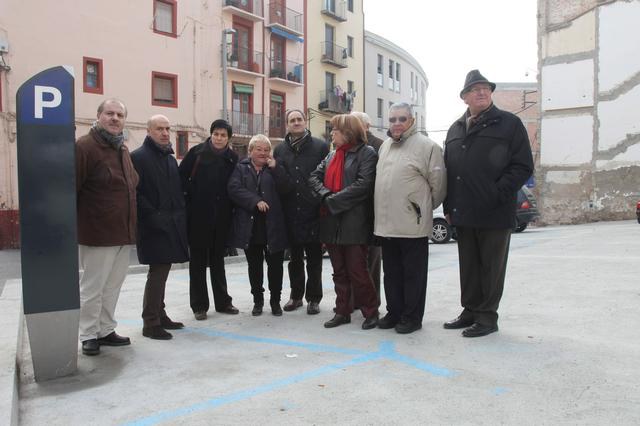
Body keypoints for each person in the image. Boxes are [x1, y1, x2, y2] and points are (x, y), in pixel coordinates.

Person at [442, 70, 534, 337]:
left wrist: (496, 193)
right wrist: (448, 207)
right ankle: (470, 310)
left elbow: (523, 166)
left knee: (491, 267)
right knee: (469, 266)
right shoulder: (455, 129)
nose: (482, 92)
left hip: (494, 211)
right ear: (464, 97)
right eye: (475, 89)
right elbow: (449, 170)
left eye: (486, 88)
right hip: (463, 211)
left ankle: (487, 318)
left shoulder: (509, 123)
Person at [374, 102, 446, 334]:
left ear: (412, 121)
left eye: (402, 119)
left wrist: (420, 209)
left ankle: (412, 317)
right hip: (386, 224)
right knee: (391, 274)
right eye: (392, 119)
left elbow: (438, 187)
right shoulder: (385, 146)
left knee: (413, 275)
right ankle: (394, 312)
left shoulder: (428, 147)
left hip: (412, 224)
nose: (396, 124)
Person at [76, 99, 138, 356]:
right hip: (97, 234)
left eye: (120, 115)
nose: (115, 118)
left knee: (112, 287)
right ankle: (89, 334)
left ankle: (105, 330)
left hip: (123, 233)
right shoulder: (85, 146)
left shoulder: (121, 148)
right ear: (98, 116)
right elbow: (73, 188)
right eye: (109, 113)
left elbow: (132, 183)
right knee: (92, 288)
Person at [309, 114, 379, 330]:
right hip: (331, 222)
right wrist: (326, 196)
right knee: (338, 271)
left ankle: (371, 312)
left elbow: (363, 185)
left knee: (358, 271)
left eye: (335, 130)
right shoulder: (332, 155)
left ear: (348, 132)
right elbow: (313, 178)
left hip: (354, 223)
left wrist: (332, 200)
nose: (331, 133)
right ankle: (342, 311)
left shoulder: (367, 153)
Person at [131, 115, 189, 340]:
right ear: (148, 131)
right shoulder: (138, 157)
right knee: (157, 273)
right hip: (152, 226)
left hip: (171, 225)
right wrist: (153, 216)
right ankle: (151, 322)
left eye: (167, 128)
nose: (165, 133)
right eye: (159, 129)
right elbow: (135, 193)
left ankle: (160, 314)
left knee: (162, 271)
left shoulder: (169, 159)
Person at [179, 119, 239, 320]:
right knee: (197, 263)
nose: (219, 138)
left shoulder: (233, 158)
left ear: (228, 138)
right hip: (198, 217)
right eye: (216, 134)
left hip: (222, 218)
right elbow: (181, 178)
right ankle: (199, 306)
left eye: (223, 135)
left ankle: (223, 302)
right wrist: (191, 200)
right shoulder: (196, 153)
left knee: (218, 262)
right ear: (211, 134)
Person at [273, 109, 329, 314]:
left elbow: (325, 176)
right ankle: (296, 296)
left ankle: (314, 299)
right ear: (287, 124)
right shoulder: (280, 150)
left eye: (299, 119)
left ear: (305, 122)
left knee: (314, 259)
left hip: (313, 211)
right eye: (292, 120)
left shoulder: (320, 147)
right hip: (290, 212)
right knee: (294, 259)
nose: (296, 122)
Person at [227, 135, 290, 316]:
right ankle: (258, 301)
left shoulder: (275, 167)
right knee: (254, 267)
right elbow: (234, 189)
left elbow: (287, 188)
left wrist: (276, 169)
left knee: (275, 267)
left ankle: (275, 302)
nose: (263, 153)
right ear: (250, 151)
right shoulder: (241, 168)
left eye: (266, 150)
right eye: (259, 149)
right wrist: (255, 201)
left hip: (273, 226)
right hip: (251, 228)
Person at [351, 111, 383, 304]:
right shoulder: (350, 145)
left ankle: (372, 301)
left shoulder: (379, 145)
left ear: (366, 126)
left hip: (372, 210)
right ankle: (357, 300)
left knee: (372, 259)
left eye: (355, 123)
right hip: (353, 212)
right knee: (355, 260)